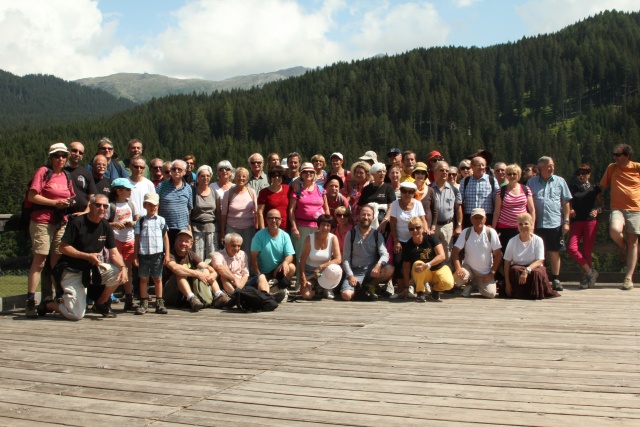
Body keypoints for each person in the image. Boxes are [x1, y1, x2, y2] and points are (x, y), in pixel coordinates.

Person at [38, 194, 127, 320]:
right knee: (76, 315)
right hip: (71, 271)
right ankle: (49, 305)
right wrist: (87, 256)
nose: (102, 208)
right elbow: (63, 248)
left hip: (91, 270)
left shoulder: (105, 225)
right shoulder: (77, 222)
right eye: (98, 205)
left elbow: (114, 252)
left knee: (119, 272)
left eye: (105, 206)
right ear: (90, 206)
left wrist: (123, 267)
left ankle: (100, 303)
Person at [25, 143, 76, 317]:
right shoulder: (43, 172)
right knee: (39, 261)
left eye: (63, 156)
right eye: (57, 155)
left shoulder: (66, 175)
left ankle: (57, 299)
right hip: (42, 221)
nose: (60, 159)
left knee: (56, 262)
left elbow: (71, 196)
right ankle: (31, 300)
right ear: (50, 157)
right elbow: (33, 196)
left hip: (61, 221)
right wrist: (55, 203)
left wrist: (69, 203)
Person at [527, 156, 572, 291]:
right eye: (548, 166)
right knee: (539, 253)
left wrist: (566, 221)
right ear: (541, 168)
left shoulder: (560, 181)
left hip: (554, 222)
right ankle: (541, 278)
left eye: (552, 165)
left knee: (554, 251)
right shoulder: (531, 182)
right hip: (537, 223)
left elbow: (566, 202)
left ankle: (556, 279)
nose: (551, 168)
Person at [599, 144, 640, 290]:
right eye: (614, 154)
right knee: (614, 230)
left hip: (636, 209)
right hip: (617, 208)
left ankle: (628, 277)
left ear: (627, 155)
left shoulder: (637, 167)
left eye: (618, 155)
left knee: (633, 242)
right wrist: (600, 203)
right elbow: (601, 187)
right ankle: (623, 247)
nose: (615, 157)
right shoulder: (612, 168)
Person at [163, 230, 230, 311]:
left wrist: (213, 274)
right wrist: (197, 273)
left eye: (186, 241)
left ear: (191, 245)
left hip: (184, 294)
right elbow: (175, 268)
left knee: (205, 270)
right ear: (175, 241)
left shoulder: (191, 255)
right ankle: (191, 298)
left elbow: (208, 268)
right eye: (180, 240)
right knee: (180, 273)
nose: (183, 243)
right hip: (170, 293)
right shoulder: (170, 254)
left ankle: (219, 295)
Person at [341, 205, 394, 301]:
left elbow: (385, 254)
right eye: (363, 214)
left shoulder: (377, 235)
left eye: (369, 215)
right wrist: (350, 276)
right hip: (355, 272)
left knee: (389, 269)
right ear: (358, 217)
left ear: (373, 218)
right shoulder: (351, 234)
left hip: (372, 271)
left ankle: (370, 286)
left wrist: (378, 265)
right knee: (346, 295)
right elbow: (345, 259)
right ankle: (362, 291)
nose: (366, 217)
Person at [503, 213, 559, 299]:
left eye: (526, 223)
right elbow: (507, 263)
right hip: (518, 266)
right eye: (520, 224)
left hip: (534, 267)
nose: (523, 226)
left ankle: (535, 294)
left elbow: (540, 260)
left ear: (531, 225)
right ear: (517, 227)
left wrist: (527, 270)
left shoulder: (538, 240)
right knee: (514, 270)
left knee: (537, 273)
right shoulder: (512, 241)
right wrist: (507, 284)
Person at [492, 164, 536, 272]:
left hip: (522, 227)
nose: (512, 176)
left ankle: (520, 275)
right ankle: (505, 277)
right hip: (504, 227)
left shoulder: (526, 189)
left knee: (522, 252)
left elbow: (532, 210)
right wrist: (493, 230)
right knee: (506, 254)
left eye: (514, 174)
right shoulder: (500, 192)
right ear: (506, 176)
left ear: (519, 176)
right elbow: (497, 212)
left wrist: (532, 227)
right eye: (509, 174)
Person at [451, 208, 502, 298]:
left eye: (480, 217)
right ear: (471, 219)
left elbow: (498, 255)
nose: (478, 220)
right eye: (475, 217)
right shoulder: (466, 232)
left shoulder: (491, 232)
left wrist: (492, 273)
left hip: (484, 273)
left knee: (491, 294)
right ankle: (468, 284)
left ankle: (476, 284)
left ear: (485, 219)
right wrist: (458, 268)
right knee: (457, 279)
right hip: (468, 269)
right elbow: (455, 251)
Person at [289, 163, 330, 274]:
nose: (308, 174)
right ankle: (300, 282)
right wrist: (294, 228)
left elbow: (326, 209)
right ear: (301, 174)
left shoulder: (321, 190)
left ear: (314, 174)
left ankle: (317, 282)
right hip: (302, 227)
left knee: (317, 254)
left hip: (319, 227)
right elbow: (291, 210)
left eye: (311, 172)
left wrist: (328, 225)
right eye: (305, 172)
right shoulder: (297, 189)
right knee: (301, 255)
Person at [388, 182, 428, 298]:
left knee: (416, 263)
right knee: (398, 262)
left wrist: (424, 236)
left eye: (410, 192)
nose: (407, 194)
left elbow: (423, 220)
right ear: (401, 192)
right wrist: (396, 241)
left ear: (413, 193)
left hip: (415, 239)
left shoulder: (418, 204)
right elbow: (393, 223)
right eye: (404, 191)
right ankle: (401, 290)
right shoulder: (395, 204)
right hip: (400, 239)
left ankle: (413, 287)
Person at [133, 193, 170, 315]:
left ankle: (159, 302)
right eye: (149, 205)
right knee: (143, 278)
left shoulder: (161, 220)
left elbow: (165, 237)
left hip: (157, 253)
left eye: (154, 205)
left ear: (158, 205)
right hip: (144, 253)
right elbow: (137, 239)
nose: (152, 207)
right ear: (145, 205)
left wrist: (167, 254)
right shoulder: (141, 221)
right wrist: (135, 256)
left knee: (157, 278)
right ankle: (143, 302)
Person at [403, 216, 454, 302]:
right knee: (418, 263)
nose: (414, 231)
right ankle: (420, 292)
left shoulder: (431, 237)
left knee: (448, 284)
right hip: (422, 272)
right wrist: (406, 287)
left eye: (417, 228)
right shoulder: (408, 246)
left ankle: (435, 290)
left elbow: (442, 256)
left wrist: (427, 265)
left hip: (437, 267)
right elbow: (406, 268)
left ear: (422, 228)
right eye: (411, 229)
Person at [568, 164, 602, 289]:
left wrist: (598, 211)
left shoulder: (595, 188)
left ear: (589, 174)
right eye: (579, 173)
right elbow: (568, 203)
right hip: (576, 221)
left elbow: (601, 205)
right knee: (571, 248)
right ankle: (590, 272)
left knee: (587, 251)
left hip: (590, 222)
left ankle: (586, 277)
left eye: (584, 173)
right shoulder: (573, 188)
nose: (581, 176)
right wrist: (570, 210)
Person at [107, 177, 139, 310]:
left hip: (129, 239)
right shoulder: (110, 206)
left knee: (128, 270)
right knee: (114, 270)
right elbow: (103, 223)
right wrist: (114, 224)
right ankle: (107, 298)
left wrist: (133, 223)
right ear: (118, 191)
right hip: (115, 241)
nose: (130, 191)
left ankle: (129, 298)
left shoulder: (131, 204)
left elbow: (137, 219)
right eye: (127, 189)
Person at [249, 209, 297, 293]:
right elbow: (253, 257)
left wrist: (285, 262)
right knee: (264, 292)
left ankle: (280, 287)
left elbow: (290, 255)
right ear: (266, 220)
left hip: (277, 270)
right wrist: (259, 275)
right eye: (271, 218)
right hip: (263, 272)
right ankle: (272, 288)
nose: (274, 221)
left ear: (281, 220)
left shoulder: (285, 236)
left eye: (277, 218)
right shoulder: (258, 236)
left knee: (291, 267)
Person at [299, 214, 342, 300]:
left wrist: (321, 266)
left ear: (331, 227)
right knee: (307, 296)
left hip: (325, 271)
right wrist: (303, 279)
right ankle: (316, 287)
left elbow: (338, 259)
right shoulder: (309, 238)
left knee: (335, 268)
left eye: (328, 225)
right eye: (323, 225)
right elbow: (302, 260)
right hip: (310, 272)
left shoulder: (333, 238)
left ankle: (327, 287)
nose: (325, 228)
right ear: (318, 225)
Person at [220, 167, 257, 257]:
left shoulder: (251, 192)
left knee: (247, 254)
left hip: (248, 229)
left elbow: (256, 211)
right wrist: (222, 232)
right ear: (234, 177)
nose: (241, 178)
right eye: (239, 176)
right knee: (231, 253)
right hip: (232, 228)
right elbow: (223, 214)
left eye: (244, 176)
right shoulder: (228, 193)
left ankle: (246, 271)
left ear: (247, 179)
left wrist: (256, 228)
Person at [430, 160, 462, 263]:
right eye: (441, 170)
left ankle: (447, 275)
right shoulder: (429, 189)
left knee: (447, 252)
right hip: (432, 227)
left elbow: (458, 208)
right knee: (431, 251)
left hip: (448, 226)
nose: (445, 173)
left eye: (446, 171)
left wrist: (459, 225)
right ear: (435, 172)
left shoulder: (454, 189)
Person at [157, 159, 193, 247]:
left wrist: (189, 229)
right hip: (165, 229)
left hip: (182, 229)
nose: (176, 171)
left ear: (184, 172)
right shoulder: (161, 186)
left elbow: (189, 210)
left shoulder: (188, 188)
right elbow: (155, 206)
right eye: (173, 169)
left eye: (179, 169)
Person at [460, 156, 499, 228]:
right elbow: (460, 202)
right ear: (472, 166)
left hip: (486, 217)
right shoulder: (465, 181)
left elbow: (497, 202)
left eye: (483, 165)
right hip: (469, 218)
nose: (481, 167)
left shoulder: (492, 180)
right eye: (478, 165)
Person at [191, 165, 218, 260]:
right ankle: (199, 274)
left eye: (208, 175)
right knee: (198, 256)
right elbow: (188, 214)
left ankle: (212, 274)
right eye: (202, 176)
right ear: (197, 177)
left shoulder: (214, 192)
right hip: (196, 229)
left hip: (212, 228)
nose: (205, 178)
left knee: (212, 256)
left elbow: (218, 212)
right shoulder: (192, 192)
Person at [358, 163, 396, 230]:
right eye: (379, 171)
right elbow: (361, 207)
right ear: (373, 174)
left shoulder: (389, 188)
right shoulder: (366, 189)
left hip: (384, 223)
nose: (382, 173)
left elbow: (391, 207)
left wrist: (385, 221)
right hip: (368, 223)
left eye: (384, 171)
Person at [64, 141, 96, 218]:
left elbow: (92, 196)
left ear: (82, 156)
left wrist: (86, 211)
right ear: (68, 151)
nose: (77, 154)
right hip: (63, 216)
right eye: (74, 150)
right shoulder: (60, 170)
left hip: (82, 216)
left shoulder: (86, 172)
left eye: (80, 152)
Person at [257, 165, 290, 230]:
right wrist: (262, 230)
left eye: (279, 176)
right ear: (270, 178)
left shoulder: (288, 189)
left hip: (285, 228)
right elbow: (260, 212)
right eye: (274, 176)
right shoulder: (264, 192)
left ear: (283, 177)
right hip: (269, 228)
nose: (277, 178)